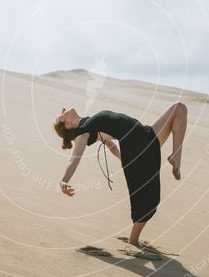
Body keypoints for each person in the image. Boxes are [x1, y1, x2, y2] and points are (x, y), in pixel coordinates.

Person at [53, 104, 188, 249]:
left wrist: (122, 159)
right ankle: (134, 240)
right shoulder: (82, 134)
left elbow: (109, 144)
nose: (63, 110)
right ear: (67, 124)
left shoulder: (89, 123)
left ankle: (176, 155)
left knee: (179, 109)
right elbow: (75, 158)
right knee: (148, 196)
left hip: (143, 134)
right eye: (61, 115)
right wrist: (64, 181)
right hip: (136, 144)